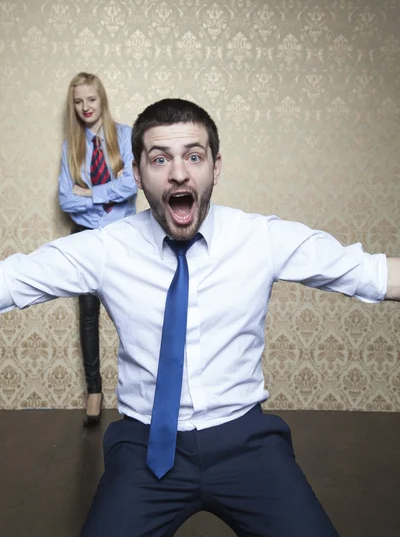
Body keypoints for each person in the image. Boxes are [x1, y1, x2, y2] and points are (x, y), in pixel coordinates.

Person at [1, 98, 399, 537]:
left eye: (194, 156)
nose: (178, 173)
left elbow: (372, 273)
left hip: (245, 441)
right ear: (136, 173)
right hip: (144, 445)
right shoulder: (106, 248)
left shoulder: (259, 237)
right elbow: (16, 278)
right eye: (159, 159)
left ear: (215, 166)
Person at [58, 71, 137, 427]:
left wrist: (90, 193)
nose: (85, 107)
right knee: (88, 314)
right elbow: (64, 200)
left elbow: (131, 185)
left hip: (122, 235)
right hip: (85, 236)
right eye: (78, 101)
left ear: (101, 98)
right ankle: (94, 390)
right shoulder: (70, 148)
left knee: (132, 310)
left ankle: (137, 392)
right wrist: (100, 199)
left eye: (91, 99)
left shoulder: (125, 137)